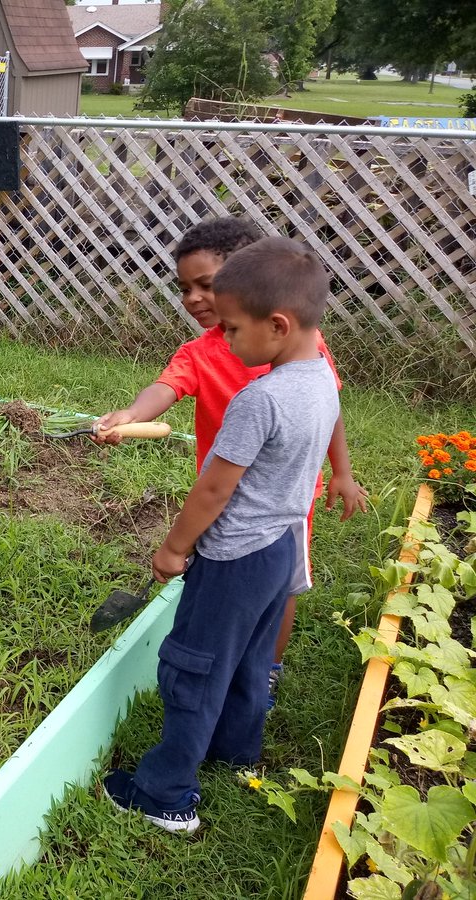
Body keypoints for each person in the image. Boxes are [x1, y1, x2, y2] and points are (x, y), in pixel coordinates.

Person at [103, 236, 342, 833]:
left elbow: (213, 491)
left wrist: (173, 548)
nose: (227, 341)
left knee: (195, 668)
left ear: (278, 325)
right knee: (250, 660)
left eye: (233, 328)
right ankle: (236, 751)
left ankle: (166, 793)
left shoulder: (258, 399)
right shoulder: (320, 380)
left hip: (233, 556)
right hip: (281, 546)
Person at [95, 217, 366, 705]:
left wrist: (342, 472)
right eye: (184, 288)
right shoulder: (200, 352)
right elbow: (166, 387)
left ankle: (267, 668)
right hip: (221, 496)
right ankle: (222, 652)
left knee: (281, 588)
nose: (195, 298)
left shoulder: (291, 340)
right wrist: (131, 413)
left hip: (284, 498)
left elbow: (330, 408)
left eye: (207, 285)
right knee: (223, 580)